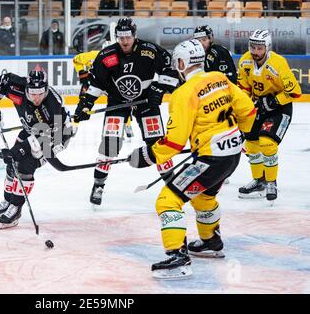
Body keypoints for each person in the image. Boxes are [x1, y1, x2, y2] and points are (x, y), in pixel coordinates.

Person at [128, 39, 256, 279]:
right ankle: (211, 242)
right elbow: (247, 110)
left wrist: (147, 155)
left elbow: (175, 142)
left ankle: (178, 257)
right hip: (231, 156)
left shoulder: (183, 93)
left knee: (168, 201)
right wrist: (240, 134)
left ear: (181, 62)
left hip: (210, 160)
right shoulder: (220, 78)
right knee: (203, 197)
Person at [72, 17, 179, 206]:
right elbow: (95, 83)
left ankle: (171, 183)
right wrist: (85, 105)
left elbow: (169, 70)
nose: (124, 41)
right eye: (120, 37)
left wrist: (158, 89)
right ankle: (98, 185)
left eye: (127, 37)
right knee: (109, 145)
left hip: (145, 102)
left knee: (157, 144)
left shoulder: (149, 51)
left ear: (134, 35)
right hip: (118, 102)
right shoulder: (107, 55)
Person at [0, 65, 75, 228]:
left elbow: (46, 138)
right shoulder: (16, 85)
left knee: (26, 165)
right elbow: (1, 82)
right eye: (33, 93)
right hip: (31, 129)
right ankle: (8, 200)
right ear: (27, 88)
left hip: (54, 138)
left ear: (46, 89)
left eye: (40, 93)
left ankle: (16, 208)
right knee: (12, 165)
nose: (37, 97)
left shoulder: (53, 105)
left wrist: (18, 150)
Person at [237, 29, 301, 201]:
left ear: (267, 47)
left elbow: (295, 92)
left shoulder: (278, 63)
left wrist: (272, 102)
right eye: (253, 47)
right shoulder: (245, 61)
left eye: (259, 48)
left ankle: (271, 182)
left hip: (280, 109)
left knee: (267, 143)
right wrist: (243, 105)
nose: (255, 52)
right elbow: (244, 88)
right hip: (258, 106)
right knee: (251, 144)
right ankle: (259, 180)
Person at [72, 38, 134, 140]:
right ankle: (74, 126)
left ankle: (127, 125)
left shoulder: (121, 58)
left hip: (109, 84)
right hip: (93, 82)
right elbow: (76, 60)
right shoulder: (91, 56)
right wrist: (83, 76)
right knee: (83, 101)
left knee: (122, 101)